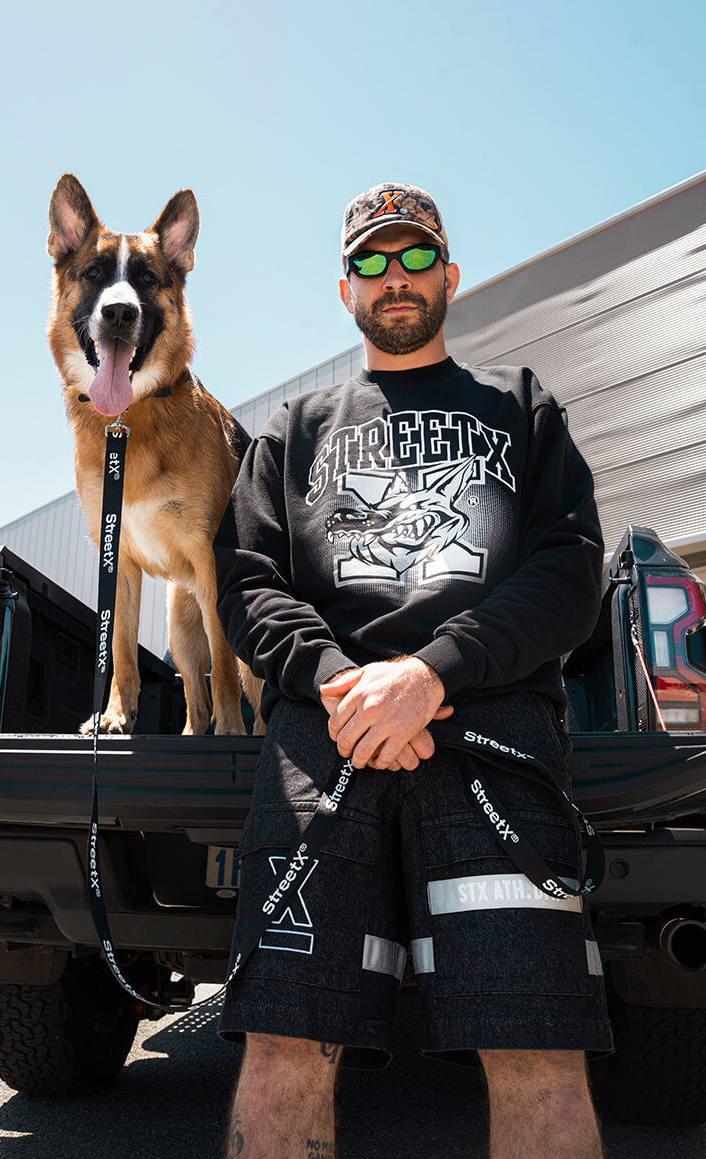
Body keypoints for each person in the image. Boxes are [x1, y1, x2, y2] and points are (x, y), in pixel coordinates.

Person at [213, 182, 613, 1159]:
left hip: (492, 738)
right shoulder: (291, 432)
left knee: (534, 1048)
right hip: (324, 738)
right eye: (370, 262)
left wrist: (430, 673)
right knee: (282, 1047)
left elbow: (566, 571)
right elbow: (246, 582)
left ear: (449, 274)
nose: (393, 278)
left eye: (413, 257)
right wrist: (340, 682)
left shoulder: (519, 410)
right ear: (343, 290)